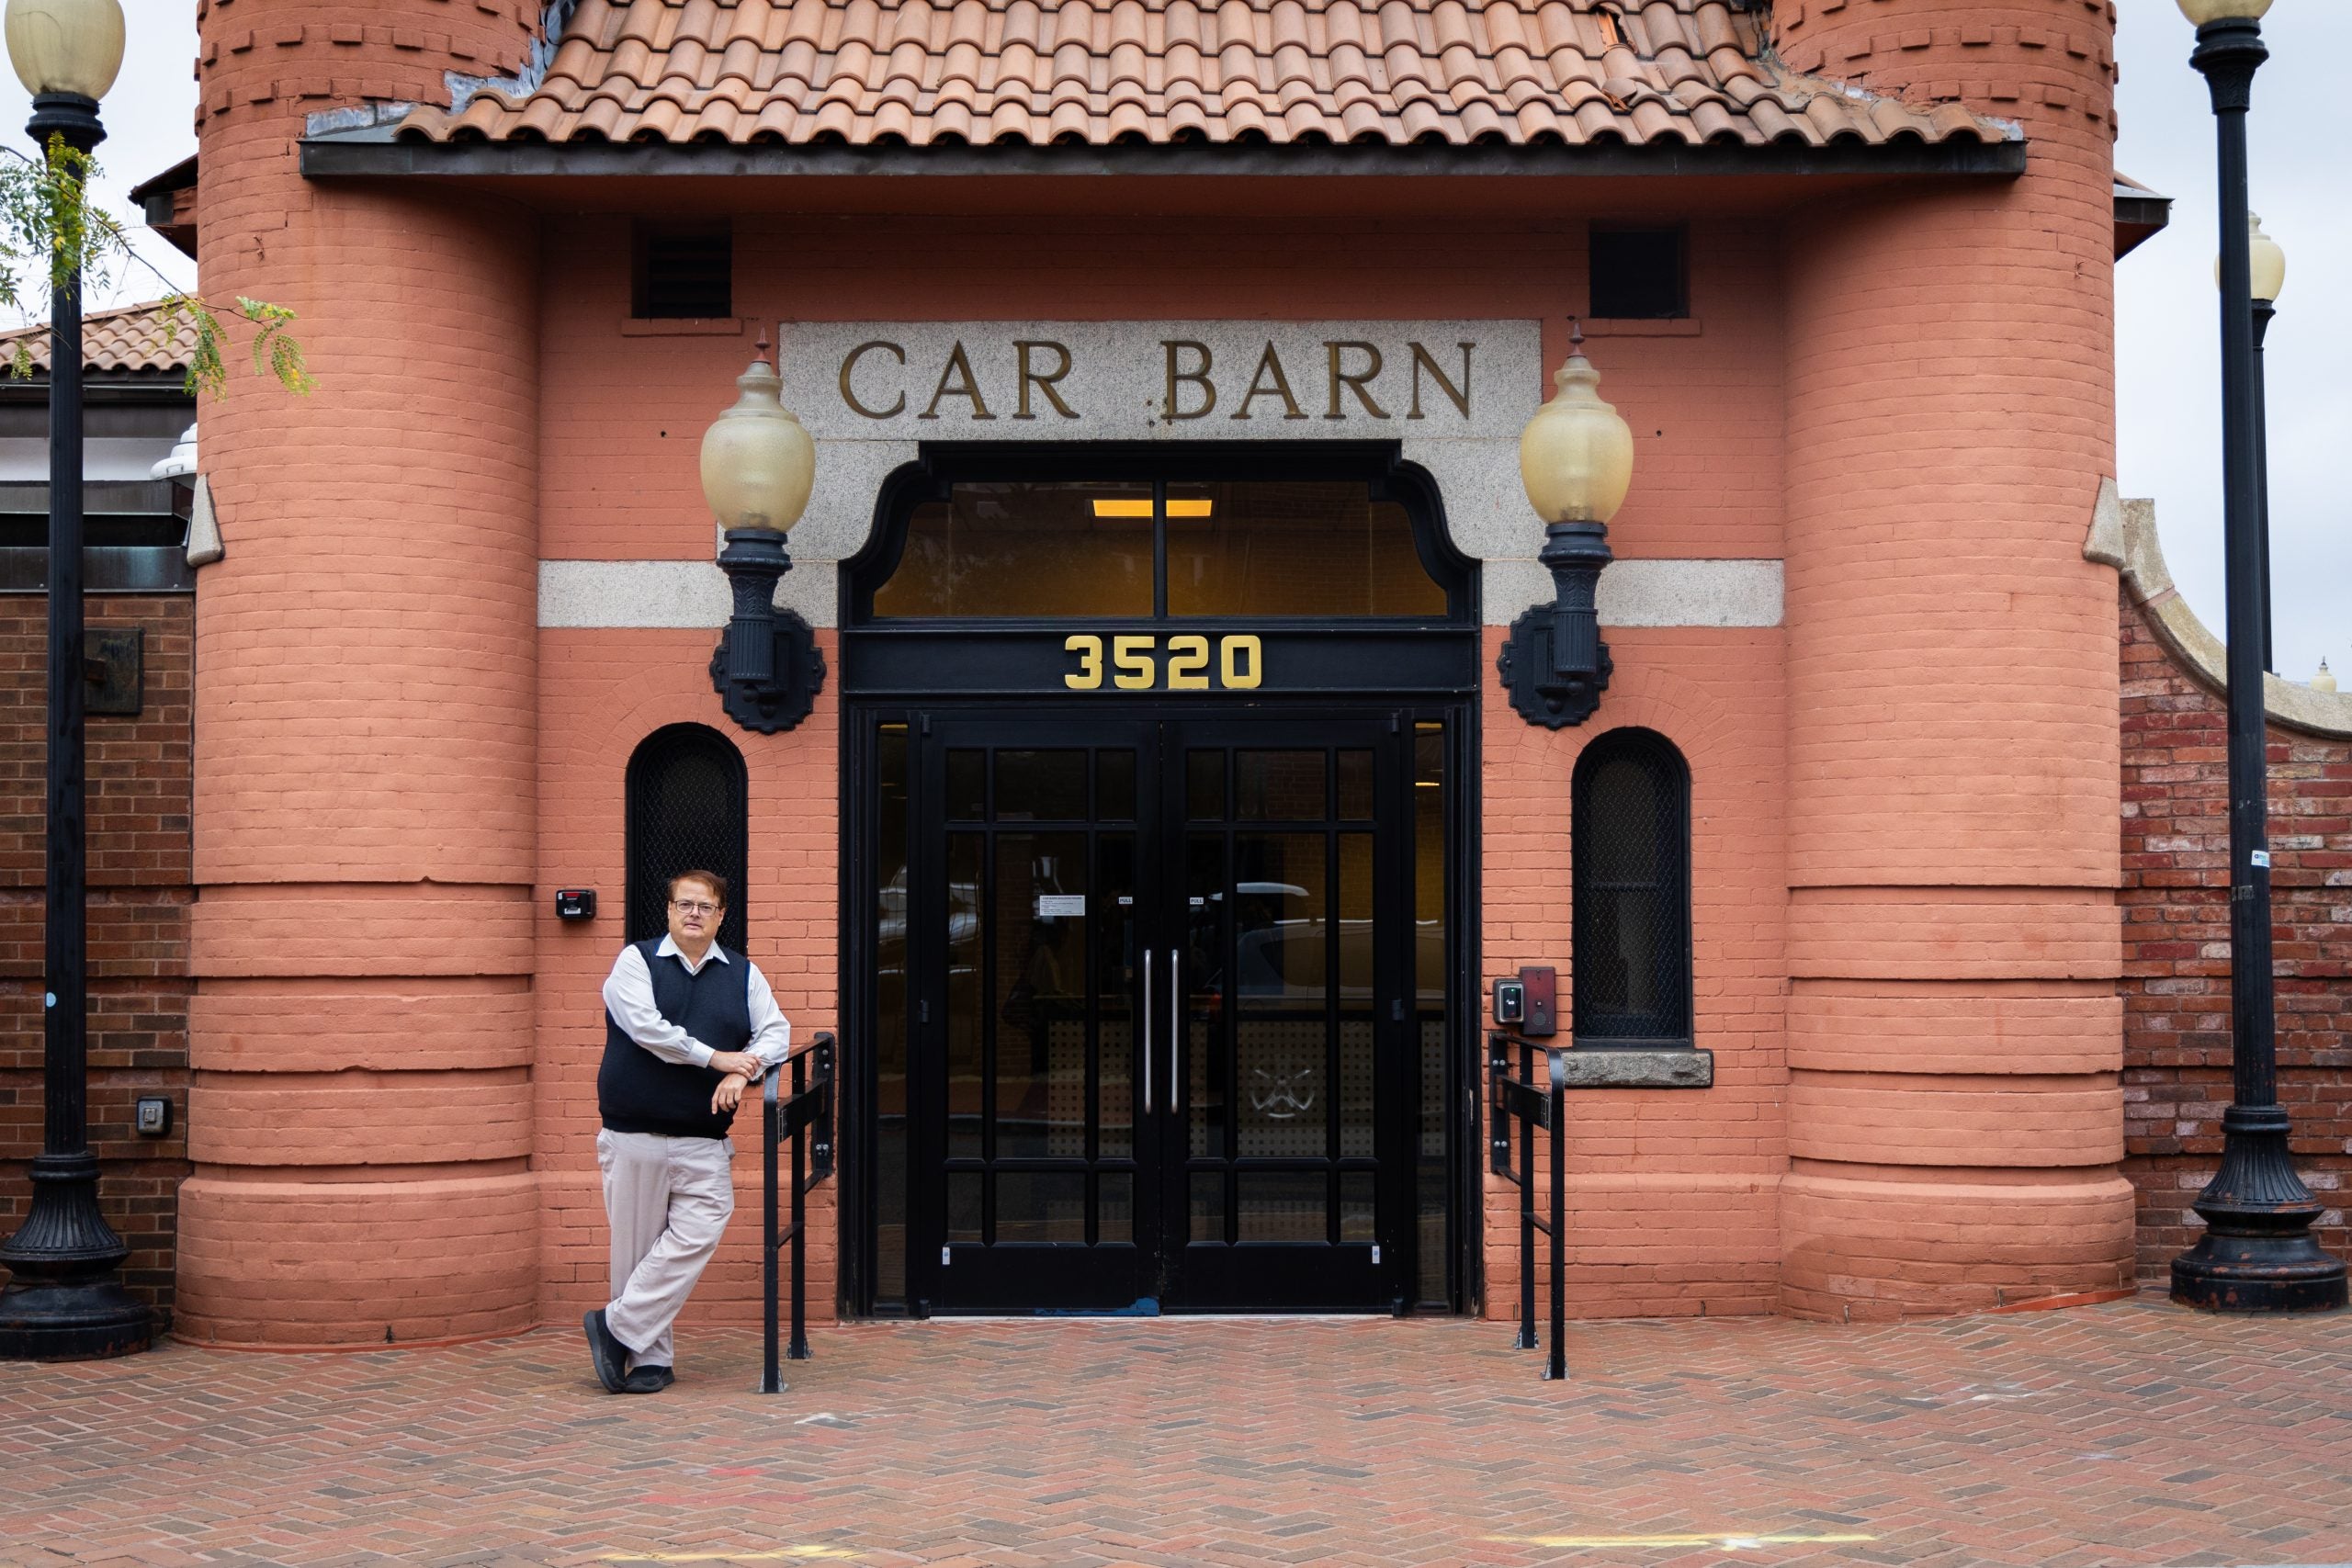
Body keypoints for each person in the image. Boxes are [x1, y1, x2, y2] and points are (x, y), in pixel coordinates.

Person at [582, 870, 790, 1393]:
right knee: (636, 1251)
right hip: (635, 1133)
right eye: (684, 904)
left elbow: (776, 1032)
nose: (694, 913)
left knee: (703, 1224)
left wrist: (744, 1069)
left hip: (703, 1138)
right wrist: (718, 1058)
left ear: (722, 916)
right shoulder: (636, 961)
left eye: (705, 906)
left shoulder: (744, 974)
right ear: (670, 911)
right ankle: (650, 1361)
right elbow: (647, 1030)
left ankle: (616, 1327)